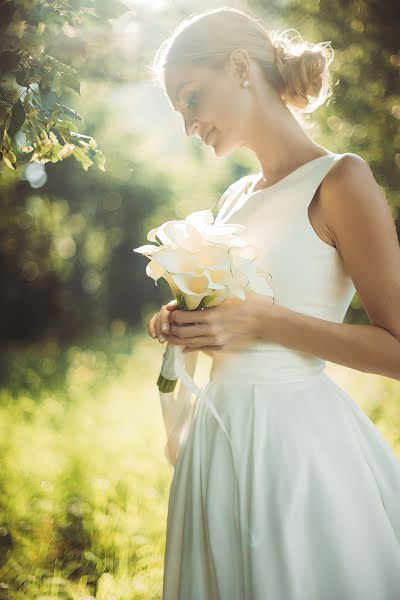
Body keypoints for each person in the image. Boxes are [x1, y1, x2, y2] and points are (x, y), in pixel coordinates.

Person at [146, 7, 400, 599]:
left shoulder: (340, 180)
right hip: (220, 442)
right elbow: (235, 318)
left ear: (240, 68)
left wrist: (264, 320)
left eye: (191, 98)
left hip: (295, 447)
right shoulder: (236, 196)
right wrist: (187, 321)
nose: (188, 124)